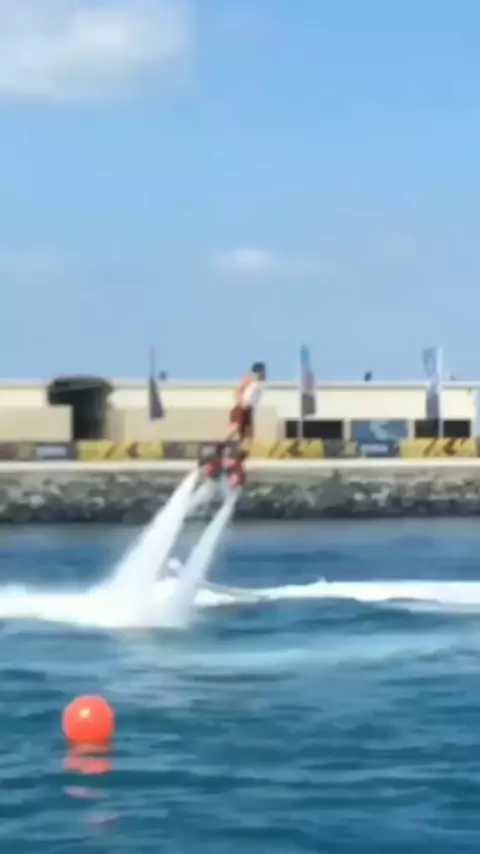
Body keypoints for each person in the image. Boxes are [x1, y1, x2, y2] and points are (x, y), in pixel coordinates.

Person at [201, 361, 267, 486]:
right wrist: (240, 401)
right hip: (242, 408)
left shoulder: (261, 382)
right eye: (263, 372)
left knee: (249, 438)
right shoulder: (249, 379)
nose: (265, 374)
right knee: (235, 429)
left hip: (249, 411)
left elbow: (253, 395)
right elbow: (239, 389)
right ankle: (216, 452)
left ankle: (238, 462)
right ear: (258, 372)